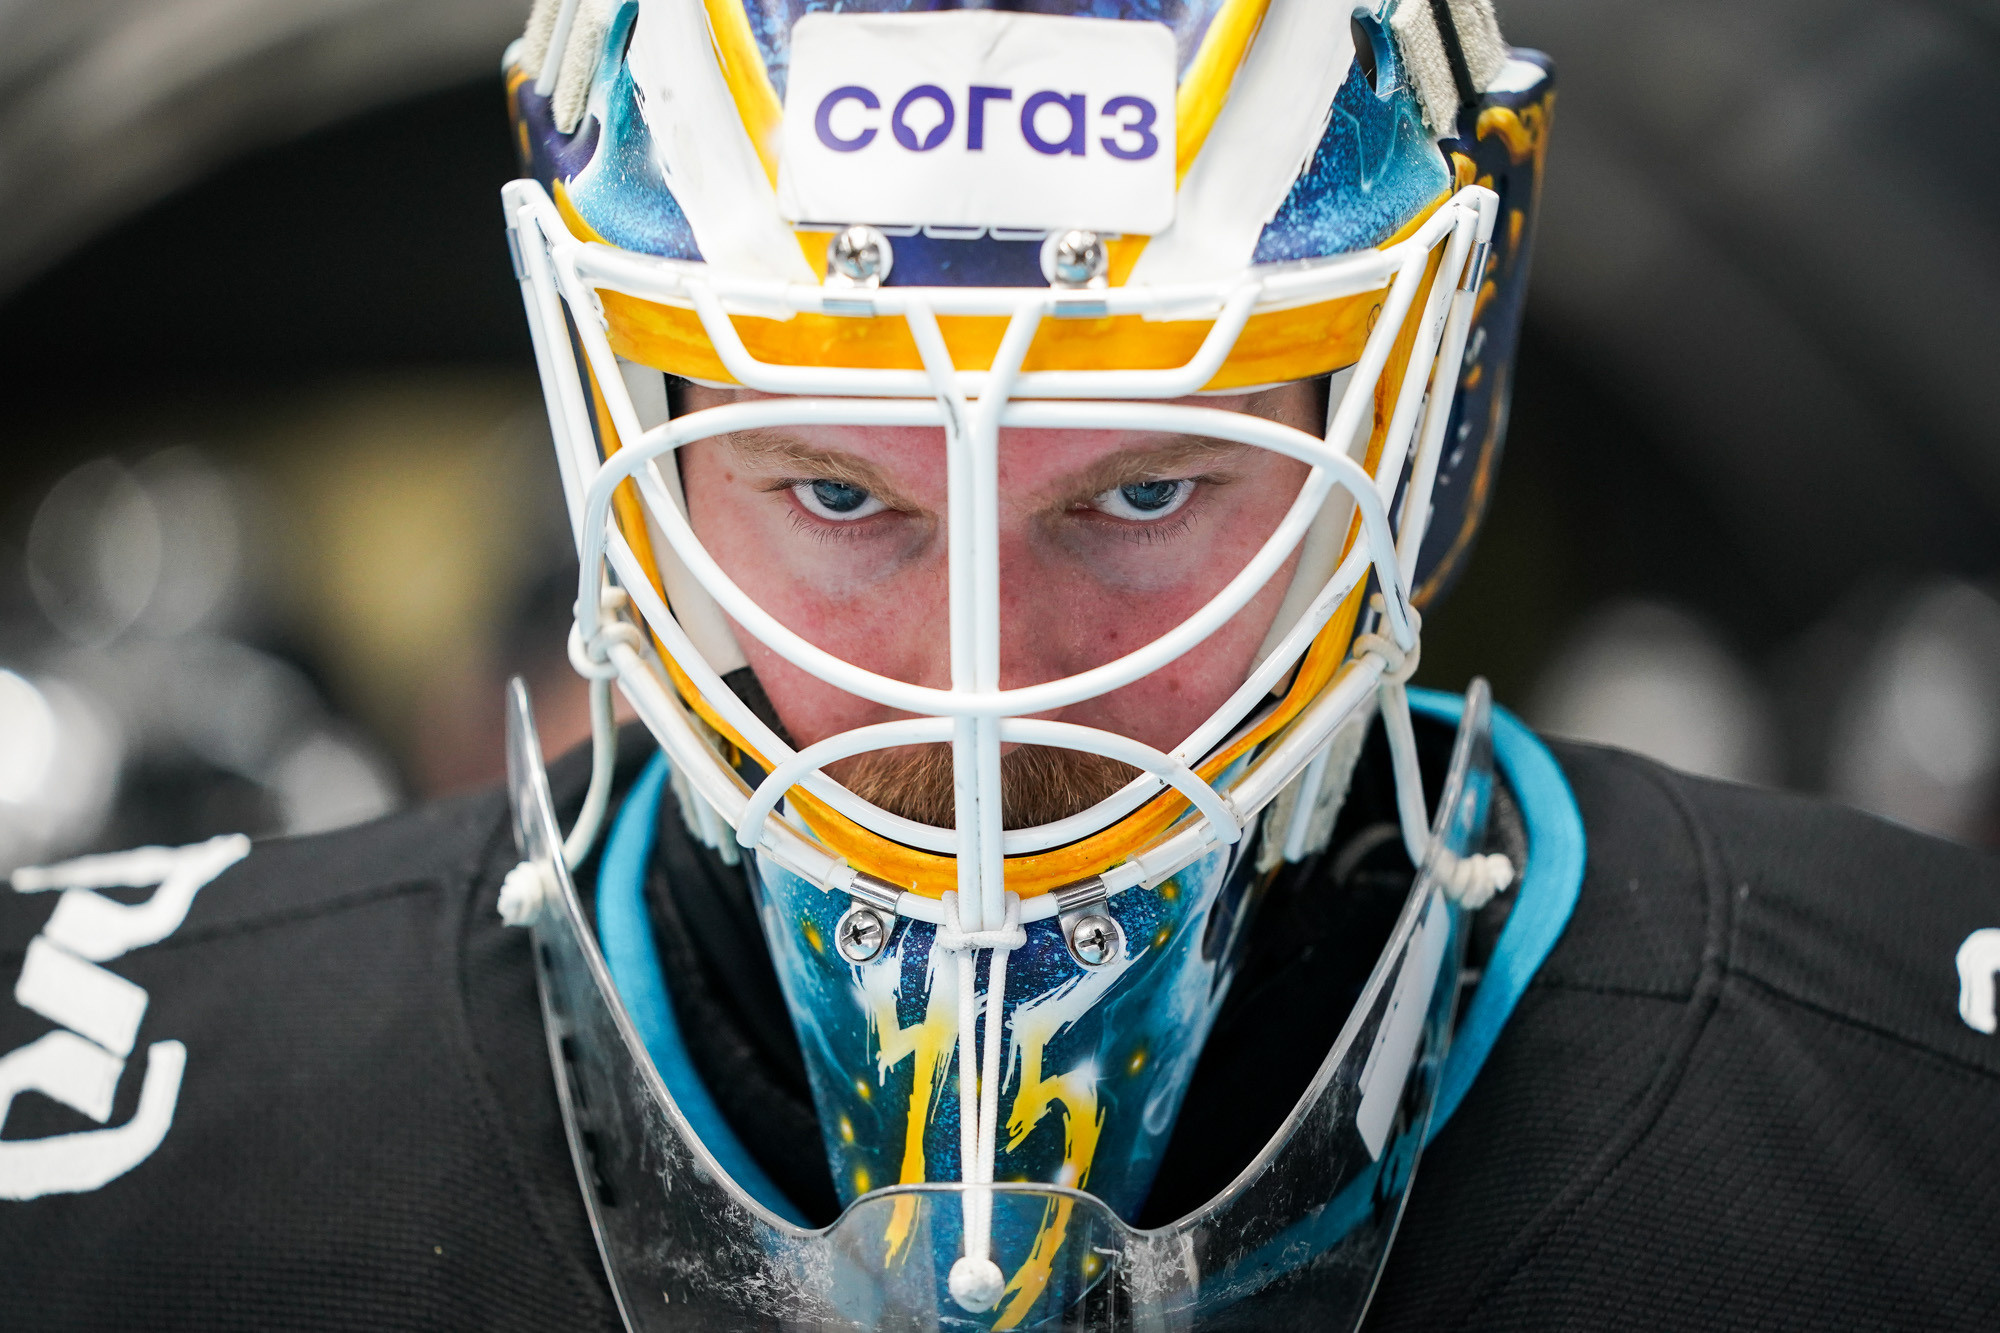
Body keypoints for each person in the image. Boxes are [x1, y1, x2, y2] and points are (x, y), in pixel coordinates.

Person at [2, 0, 1995, 1328]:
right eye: (843, 495)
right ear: (635, 451)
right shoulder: (118, 1156)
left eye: (1139, 490)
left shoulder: (1908, 1123)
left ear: (1417, 426)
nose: (984, 679)